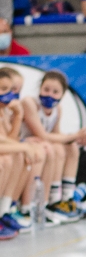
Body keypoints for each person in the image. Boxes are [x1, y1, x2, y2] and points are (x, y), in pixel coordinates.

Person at [20, 69, 86, 222]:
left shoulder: (57, 110)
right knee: (55, 149)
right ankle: (50, 201)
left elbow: (56, 135)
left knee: (71, 148)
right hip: (28, 144)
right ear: (40, 88)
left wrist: (77, 139)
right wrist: (74, 136)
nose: (49, 94)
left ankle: (66, 198)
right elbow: (42, 135)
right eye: (46, 89)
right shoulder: (30, 103)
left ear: (62, 95)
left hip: (43, 145)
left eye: (55, 92)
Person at [0, 67, 41, 236]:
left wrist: (17, 116)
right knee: (6, 160)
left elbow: (9, 138)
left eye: (10, 90)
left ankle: (5, 210)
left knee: (18, 155)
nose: (9, 94)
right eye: (3, 89)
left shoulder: (3, 111)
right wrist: (24, 146)